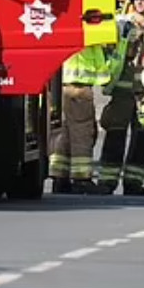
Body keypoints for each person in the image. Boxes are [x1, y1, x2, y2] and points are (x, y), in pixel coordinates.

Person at [94, 0, 144, 196]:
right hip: (122, 88)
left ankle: (134, 182)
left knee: (142, 137)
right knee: (115, 134)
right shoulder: (122, 23)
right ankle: (107, 181)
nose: (140, 3)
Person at [51, 44, 113, 194]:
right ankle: (82, 179)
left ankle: (60, 177)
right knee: (82, 133)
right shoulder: (87, 28)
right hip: (78, 86)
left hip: (59, 85)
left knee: (64, 133)